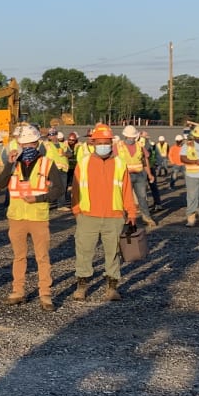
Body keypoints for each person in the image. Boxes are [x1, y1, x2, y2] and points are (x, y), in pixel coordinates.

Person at [0, 125, 65, 311]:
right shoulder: (15, 163)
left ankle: (45, 294)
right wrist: (9, 164)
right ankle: (18, 291)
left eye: (30, 143)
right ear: (19, 144)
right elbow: (1, 183)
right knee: (19, 257)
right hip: (17, 217)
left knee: (42, 257)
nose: (27, 147)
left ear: (37, 143)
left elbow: (58, 189)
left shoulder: (47, 163)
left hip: (38, 217)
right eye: (24, 144)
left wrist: (39, 198)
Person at [70, 124, 139, 302]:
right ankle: (82, 287)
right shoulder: (83, 162)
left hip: (114, 216)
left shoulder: (119, 163)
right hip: (87, 215)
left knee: (113, 253)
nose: (103, 145)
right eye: (99, 142)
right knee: (84, 252)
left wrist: (131, 213)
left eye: (106, 142)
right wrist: (76, 210)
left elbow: (126, 190)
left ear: (111, 143)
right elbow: (76, 190)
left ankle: (112, 288)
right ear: (93, 143)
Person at [117, 125, 157, 227]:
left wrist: (149, 174)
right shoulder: (118, 146)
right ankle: (125, 218)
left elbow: (145, 161)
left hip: (140, 175)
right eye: (129, 137)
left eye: (133, 137)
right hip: (125, 176)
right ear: (125, 136)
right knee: (125, 198)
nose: (131, 139)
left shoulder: (140, 145)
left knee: (142, 197)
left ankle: (146, 217)